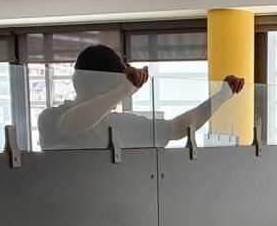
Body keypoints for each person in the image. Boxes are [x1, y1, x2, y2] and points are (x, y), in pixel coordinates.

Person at [38, 44, 246, 150]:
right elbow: (71, 125)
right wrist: (122, 90)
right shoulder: (50, 118)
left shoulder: (122, 124)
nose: (112, 100)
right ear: (77, 82)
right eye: (105, 89)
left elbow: (176, 128)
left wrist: (221, 97)